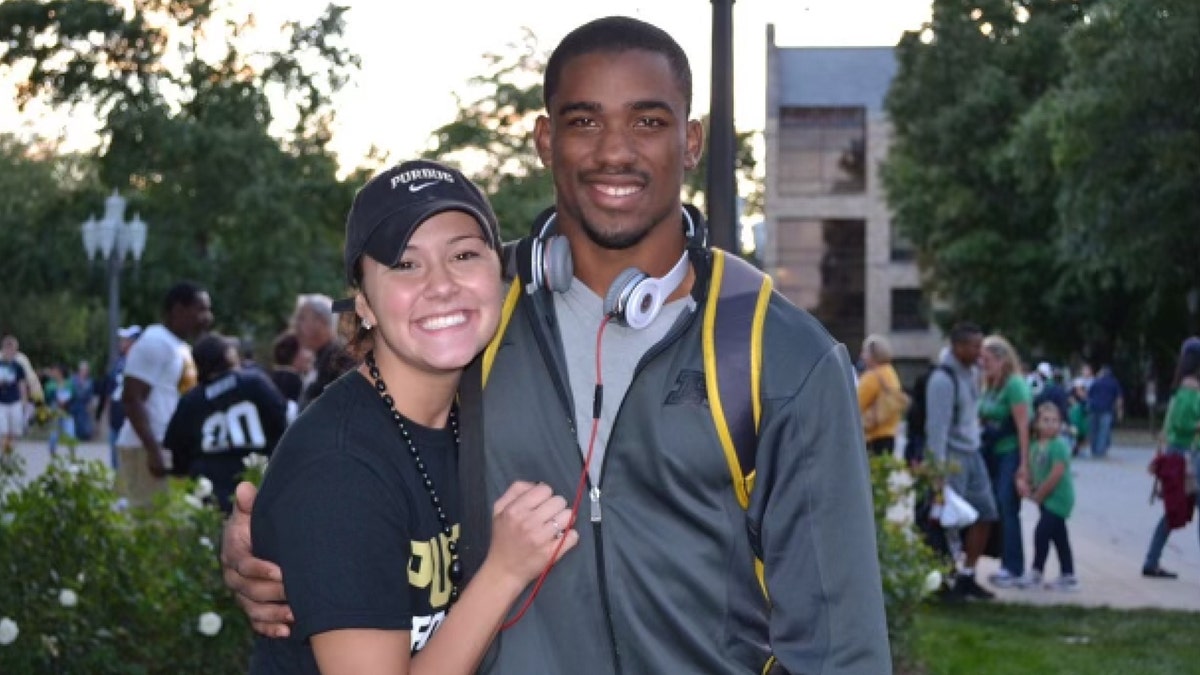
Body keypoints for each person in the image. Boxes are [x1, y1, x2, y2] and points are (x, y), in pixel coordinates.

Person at [223, 16, 890, 674]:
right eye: (585, 121)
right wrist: (279, 545)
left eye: (649, 121)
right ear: (546, 140)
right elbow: (367, 449)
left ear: (691, 142)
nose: (614, 151)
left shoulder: (780, 357)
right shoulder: (475, 316)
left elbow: (839, 644)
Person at [249, 159, 578, 674]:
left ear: (499, 275)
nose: (441, 285)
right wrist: (505, 571)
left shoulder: (482, 413)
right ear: (365, 305)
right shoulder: (338, 467)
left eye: (464, 254)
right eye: (405, 264)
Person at [164, 333, 289, 513]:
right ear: (227, 356)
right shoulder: (255, 382)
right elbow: (281, 421)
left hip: (211, 490)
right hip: (258, 481)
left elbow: (177, 451)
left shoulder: (191, 401)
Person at [116, 281, 213, 508]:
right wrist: (153, 449)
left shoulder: (179, 346)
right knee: (148, 525)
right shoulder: (155, 342)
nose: (207, 316)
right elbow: (132, 398)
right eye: (201, 309)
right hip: (147, 449)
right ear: (179, 309)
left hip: (167, 447)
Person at [926, 322, 1000, 600]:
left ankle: (968, 574)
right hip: (952, 457)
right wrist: (937, 471)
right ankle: (946, 578)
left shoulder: (971, 374)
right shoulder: (943, 380)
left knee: (986, 513)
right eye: (974, 346)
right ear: (958, 347)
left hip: (973, 452)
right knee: (949, 523)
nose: (980, 352)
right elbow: (937, 429)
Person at [1140, 337, 1200, 579]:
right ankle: (1151, 560)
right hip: (1190, 457)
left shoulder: (1181, 389)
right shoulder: (1191, 389)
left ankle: (1151, 560)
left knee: (1175, 509)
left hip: (1180, 455)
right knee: (1178, 508)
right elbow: (1183, 424)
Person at [978, 334, 1033, 588]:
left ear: (1001, 359)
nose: (982, 363)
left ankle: (1014, 566)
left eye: (987, 359)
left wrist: (1024, 466)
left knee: (1008, 506)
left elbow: (1023, 428)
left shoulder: (1015, 385)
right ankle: (1003, 561)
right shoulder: (990, 385)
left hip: (1010, 452)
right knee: (997, 508)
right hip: (991, 453)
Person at [1021, 401, 1077, 590]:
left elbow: (1056, 473)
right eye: (1045, 420)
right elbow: (1034, 471)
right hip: (1045, 499)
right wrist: (1028, 485)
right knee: (1059, 536)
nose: (1051, 424)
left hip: (1059, 498)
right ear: (1036, 423)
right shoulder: (1036, 446)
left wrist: (1039, 494)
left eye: (1055, 421)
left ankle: (1036, 572)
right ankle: (1068, 575)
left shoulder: (1058, 446)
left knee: (1042, 533)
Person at [291, 293, 352, 410]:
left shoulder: (340, 359)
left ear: (321, 322)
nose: (296, 325)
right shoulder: (323, 358)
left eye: (302, 318)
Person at [96, 325, 142, 469]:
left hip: (130, 420)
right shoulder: (119, 363)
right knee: (115, 463)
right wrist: (104, 413)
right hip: (116, 418)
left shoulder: (142, 364)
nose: (122, 343)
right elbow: (109, 390)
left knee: (130, 463)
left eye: (126, 340)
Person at [858, 333, 906, 456]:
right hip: (890, 435)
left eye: (865, 352)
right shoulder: (891, 373)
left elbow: (856, 405)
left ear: (874, 354)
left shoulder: (872, 377)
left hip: (872, 436)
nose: (862, 356)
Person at [1086, 364, 1124, 459]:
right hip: (1106, 409)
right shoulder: (1114, 382)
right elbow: (1119, 398)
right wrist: (1119, 411)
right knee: (1103, 431)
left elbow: (1089, 395)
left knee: (1094, 430)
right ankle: (1100, 452)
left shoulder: (1096, 382)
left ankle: (1094, 449)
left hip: (1093, 408)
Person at [0, 335, 30, 455]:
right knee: (3, 431)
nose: (10, 352)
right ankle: (2, 454)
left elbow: (22, 385)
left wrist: (24, 402)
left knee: (15, 432)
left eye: (12, 349)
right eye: (7, 349)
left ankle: (9, 453)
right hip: (1, 402)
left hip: (15, 401)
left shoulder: (18, 367)